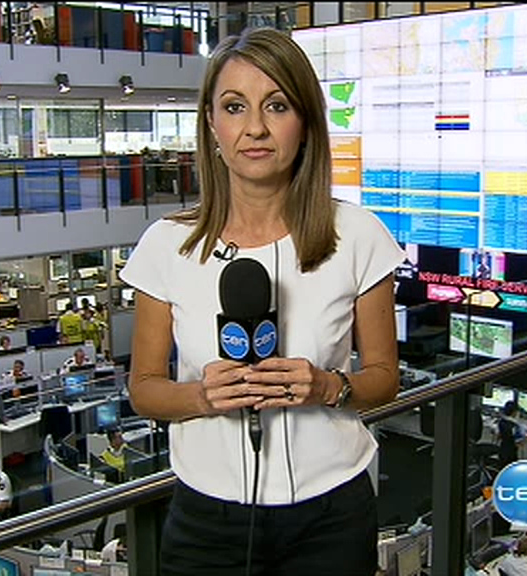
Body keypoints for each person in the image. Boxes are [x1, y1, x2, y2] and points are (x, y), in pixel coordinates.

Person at [118, 27, 404, 576]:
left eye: (277, 106)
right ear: (211, 123)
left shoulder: (358, 235)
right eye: (234, 107)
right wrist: (203, 397)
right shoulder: (166, 245)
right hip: (207, 521)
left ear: (306, 122)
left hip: (332, 515)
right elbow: (145, 390)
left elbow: (385, 379)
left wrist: (327, 386)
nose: (255, 128)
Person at [498, 400, 526, 471]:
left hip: (502, 450)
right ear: (514, 413)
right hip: (511, 454)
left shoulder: (501, 421)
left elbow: (498, 433)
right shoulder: (515, 427)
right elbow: (519, 441)